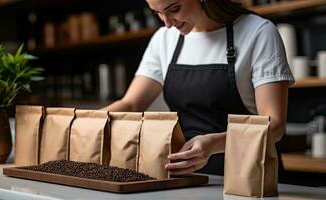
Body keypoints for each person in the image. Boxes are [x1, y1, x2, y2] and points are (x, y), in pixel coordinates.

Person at [102, 0, 294, 177]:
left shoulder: (258, 32)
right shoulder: (164, 39)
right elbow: (131, 103)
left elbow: (275, 126)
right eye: (157, 13)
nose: (167, 23)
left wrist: (214, 144)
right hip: (189, 176)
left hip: (250, 176)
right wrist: (85, 120)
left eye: (174, 9)